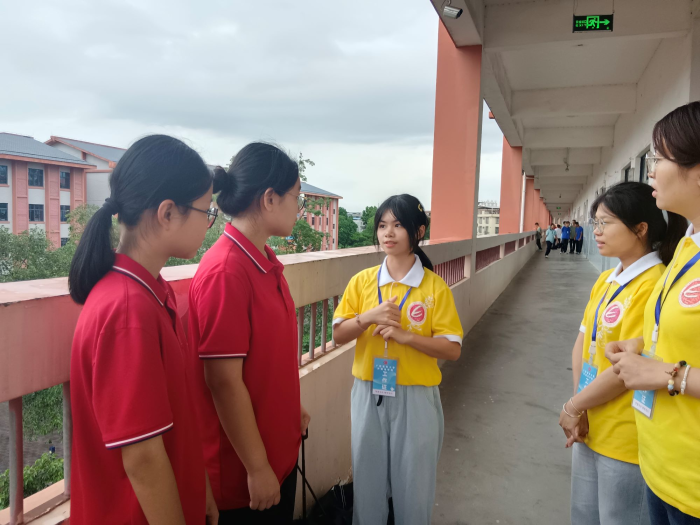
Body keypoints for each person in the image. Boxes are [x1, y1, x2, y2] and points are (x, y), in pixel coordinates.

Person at [67, 135, 219, 525]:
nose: (209, 223)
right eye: (207, 211)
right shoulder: (128, 311)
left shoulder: (148, 290)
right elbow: (143, 458)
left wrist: (200, 487)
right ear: (167, 213)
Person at [188, 142, 309, 524]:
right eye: (297, 197)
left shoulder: (264, 260)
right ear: (270, 199)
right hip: (245, 480)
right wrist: (257, 468)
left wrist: (290, 410)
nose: (299, 207)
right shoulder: (226, 272)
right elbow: (223, 381)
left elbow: (265, 360)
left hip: (277, 456)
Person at [558, 182, 686, 525]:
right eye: (595, 223)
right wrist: (580, 404)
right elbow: (582, 343)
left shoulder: (655, 283)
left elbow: (628, 369)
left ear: (640, 229)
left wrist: (575, 405)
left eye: (605, 223)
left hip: (625, 434)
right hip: (588, 424)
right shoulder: (606, 279)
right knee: (583, 516)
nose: (596, 231)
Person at [332, 194, 463, 525]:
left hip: (416, 396)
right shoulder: (362, 282)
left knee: (414, 488)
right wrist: (368, 317)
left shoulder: (434, 288)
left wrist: (408, 337)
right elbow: (339, 334)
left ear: (418, 231)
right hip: (369, 392)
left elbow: (452, 349)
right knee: (367, 486)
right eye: (382, 225)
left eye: (398, 225)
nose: (388, 233)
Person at [607, 101, 700, 524]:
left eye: (659, 159)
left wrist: (665, 374)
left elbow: (670, 371)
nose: (650, 171)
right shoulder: (686, 246)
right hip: (661, 467)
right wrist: (642, 346)